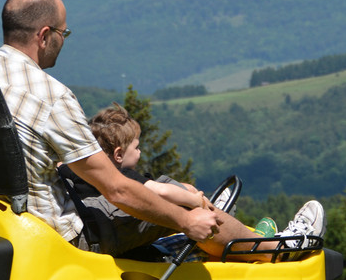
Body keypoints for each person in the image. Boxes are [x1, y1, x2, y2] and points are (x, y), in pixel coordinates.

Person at [0, 0, 324, 258]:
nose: (64, 41)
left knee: (157, 195)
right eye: (64, 33)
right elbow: (117, 189)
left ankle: (215, 240)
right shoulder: (49, 95)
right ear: (45, 35)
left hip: (0, 227)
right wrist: (186, 219)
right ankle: (278, 250)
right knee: (172, 202)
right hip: (63, 238)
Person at [59, 104, 278, 255]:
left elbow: (60, 167)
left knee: (180, 188)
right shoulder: (119, 175)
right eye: (137, 147)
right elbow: (160, 191)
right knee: (172, 189)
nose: (140, 152)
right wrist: (197, 201)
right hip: (99, 232)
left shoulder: (76, 168)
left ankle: (240, 231)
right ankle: (256, 241)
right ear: (118, 155)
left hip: (86, 222)